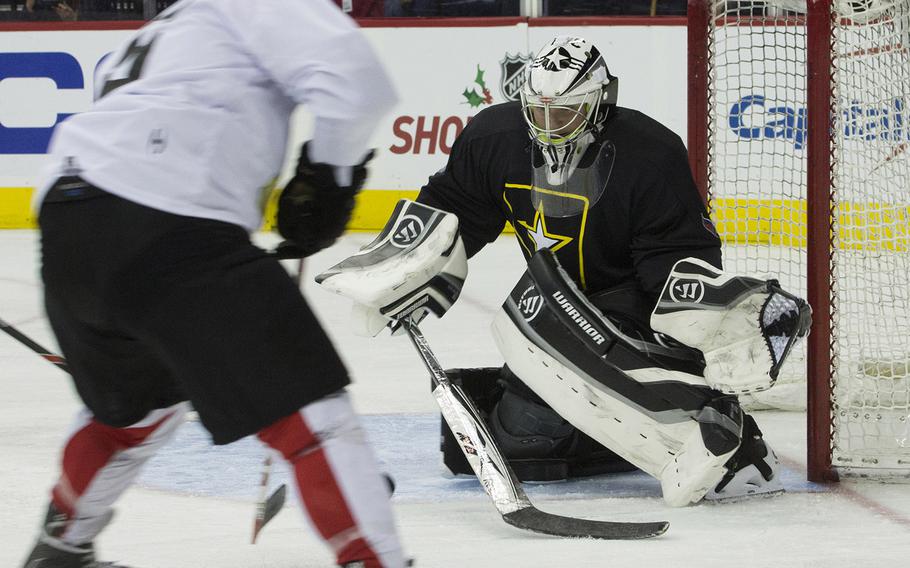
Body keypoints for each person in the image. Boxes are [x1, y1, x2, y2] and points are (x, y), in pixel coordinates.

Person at [22, 1, 406, 567]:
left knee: (132, 414)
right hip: (169, 221)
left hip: (69, 221)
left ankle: (59, 550)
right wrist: (330, 179)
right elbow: (355, 82)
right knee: (311, 415)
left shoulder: (174, 21)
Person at [393, 35, 808, 504]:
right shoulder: (494, 137)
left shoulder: (650, 152)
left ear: (597, 103)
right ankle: (609, 429)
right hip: (555, 311)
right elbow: (454, 209)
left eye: (564, 112)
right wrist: (405, 268)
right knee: (524, 439)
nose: (548, 126)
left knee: (560, 421)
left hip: (632, 307)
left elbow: (675, 255)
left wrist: (691, 319)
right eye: (538, 111)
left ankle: (720, 429)